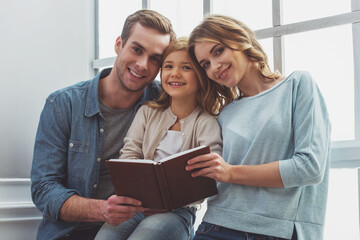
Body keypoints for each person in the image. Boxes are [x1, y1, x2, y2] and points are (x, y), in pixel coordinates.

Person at [30, 10, 176, 240]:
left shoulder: (167, 101)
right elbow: (44, 189)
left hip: (139, 229)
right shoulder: (62, 104)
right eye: (136, 50)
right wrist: (102, 210)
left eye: (155, 58)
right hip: (70, 233)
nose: (142, 64)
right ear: (119, 44)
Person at [186, 15, 331, 240]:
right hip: (214, 226)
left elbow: (310, 167)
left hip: (274, 231)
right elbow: (217, 177)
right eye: (205, 64)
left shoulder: (297, 85)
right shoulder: (226, 114)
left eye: (218, 51)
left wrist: (231, 172)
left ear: (239, 39)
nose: (214, 67)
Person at [94, 37, 222, 240]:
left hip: (178, 212)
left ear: (200, 76)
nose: (175, 73)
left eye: (186, 68)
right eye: (168, 66)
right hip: (137, 206)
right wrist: (142, 193)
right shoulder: (147, 112)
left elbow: (212, 172)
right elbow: (129, 153)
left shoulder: (207, 122)